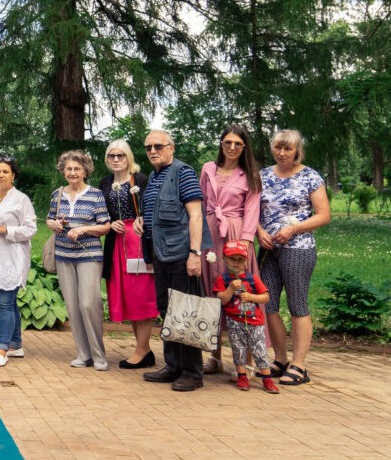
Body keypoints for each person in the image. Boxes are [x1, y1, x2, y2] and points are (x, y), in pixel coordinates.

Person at [259, 129, 330, 387]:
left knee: (297, 305)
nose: (282, 153)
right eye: (278, 147)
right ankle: (280, 359)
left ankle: (300, 365)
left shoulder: (310, 176)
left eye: (288, 148)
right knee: (267, 304)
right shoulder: (263, 175)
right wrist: (259, 232)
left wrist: (293, 229)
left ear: (296, 150)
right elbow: (252, 210)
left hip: (299, 248)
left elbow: (323, 215)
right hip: (268, 249)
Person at [139, 129, 206, 392]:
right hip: (160, 253)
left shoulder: (183, 172)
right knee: (167, 309)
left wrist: (195, 253)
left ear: (171, 147)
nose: (153, 151)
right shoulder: (155, 176)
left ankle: (192, 372)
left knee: (185, 311)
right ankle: (173, 365)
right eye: (148, 147)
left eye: (158, 146)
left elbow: (196, 216)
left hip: (180, 253)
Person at [200, 125, 263, 375]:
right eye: (228, 142)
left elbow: (252, 209)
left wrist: (247, 240)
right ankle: (214, 356)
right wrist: (198, 237)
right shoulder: (208, 168)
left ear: (244, 147)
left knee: (240, 290)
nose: (232, 147)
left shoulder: (249, 174)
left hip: (236, 233)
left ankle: (245, 358)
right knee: (212, 289)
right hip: (210, 231)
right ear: (221, 143)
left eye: (238, 143)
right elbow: (203, 202)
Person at [46, 150, 112, 371]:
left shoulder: (95, 195)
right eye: (69, 169)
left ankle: (99, 355)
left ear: (85, 171)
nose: (72, 172)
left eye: (77, 169)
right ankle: (83, 354)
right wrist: (55, 224)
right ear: (63, 171)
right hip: (64, 255)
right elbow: (49, 220)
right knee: (73, 307)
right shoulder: (57, 194)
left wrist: (84, 229)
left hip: (89, 256)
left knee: (88, 303)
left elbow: (105, 225)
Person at [98, 140, 157, 369]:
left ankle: (142, 349)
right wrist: (111, 223)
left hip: (138, 242)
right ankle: (144, 350)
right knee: (128, 296)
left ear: (128, 157)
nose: (115, 159)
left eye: (120, 155)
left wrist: (144, 218)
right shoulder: (105, 183)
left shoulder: (142, 179)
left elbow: (152, 205)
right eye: (111, 155)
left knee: (140, 294)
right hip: (116, 243)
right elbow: (101, 213)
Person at [0, 157, 37, 367]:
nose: (1, 175)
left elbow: (31, 229)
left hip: (13, 257)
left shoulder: (21, 199)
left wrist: (5, 230)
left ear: (13, 175)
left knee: (4, 302)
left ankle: (2, 348)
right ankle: (16, 345)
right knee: (9, 302)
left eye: (5, 171)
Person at [213, 240, 279, 394]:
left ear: (246, 261)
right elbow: (221, 299)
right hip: (235, 321)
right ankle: (241, 375)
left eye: (240, 259)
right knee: (238, 349)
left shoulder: (252, 278)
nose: (236, 263)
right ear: (224, 259)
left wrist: (251, 297)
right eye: (232, 259)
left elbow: (265, 297)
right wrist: (230, 288)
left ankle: (266, 378)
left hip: (255, 321)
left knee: (259, 349)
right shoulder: (223, 280)